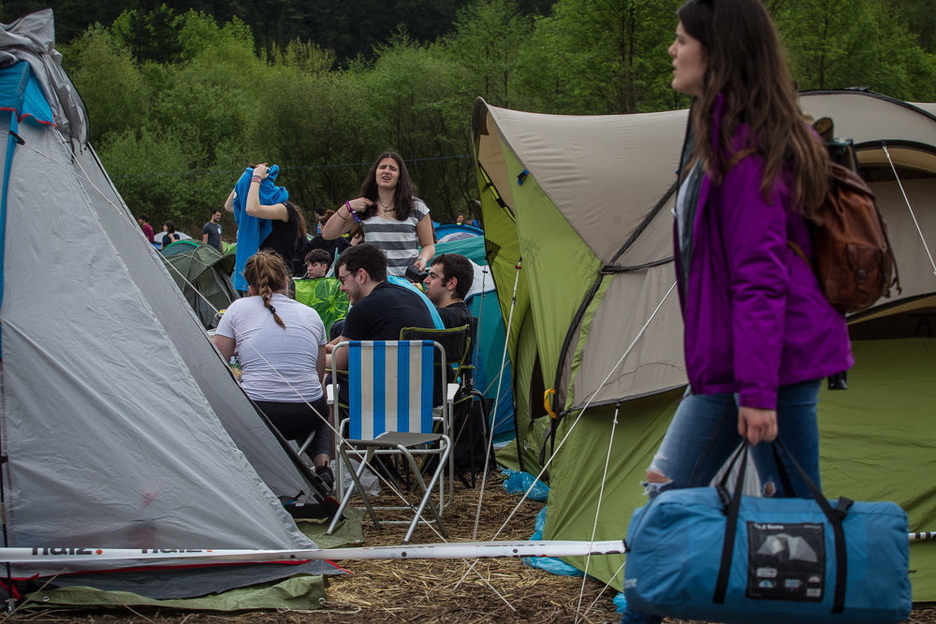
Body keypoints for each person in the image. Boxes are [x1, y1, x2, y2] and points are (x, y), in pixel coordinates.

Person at [620, 3, 853, 622]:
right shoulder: (718, 133)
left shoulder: (747, 150)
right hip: (746, 364)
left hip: (760, 367)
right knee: (794, 515)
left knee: (668, 508)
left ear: (715, 51)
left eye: (680, 40)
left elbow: (759, 280)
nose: (671, 51)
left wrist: (756, 391)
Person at [212, 250, 333, 489]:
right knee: (313, 401)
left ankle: (238, 474)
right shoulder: (311, 315)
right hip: (306, 415)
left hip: (260, 415)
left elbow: (216, 363)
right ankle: (322, 466)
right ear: (286, 281)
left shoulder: (237, 309)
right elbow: (317, 376)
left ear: (249, 286)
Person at [320, 152, 435, 278]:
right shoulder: (364, 207)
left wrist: (422, 259)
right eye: (382, 167)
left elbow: (428, 245)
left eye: (392, 169)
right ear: (375, 173)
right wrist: (347, 207)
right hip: (374, 283)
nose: (386, 171)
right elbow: (328, 234)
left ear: (400, 176)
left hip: (407, 283)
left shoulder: (416, 206)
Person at [327, 243, 435, 372]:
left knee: (324, 376)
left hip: (386, 387)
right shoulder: (411, 296)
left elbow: (339, 363)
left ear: (362, 275)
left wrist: (314, 355)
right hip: (430, 385)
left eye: (343, 280)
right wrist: (332, 347)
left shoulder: (363, 308)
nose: (341, 288)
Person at [423, 253, 473, 329]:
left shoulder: (441, 316)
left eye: (433, 276)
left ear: (451, 283)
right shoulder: (466, 316)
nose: (426, 280)